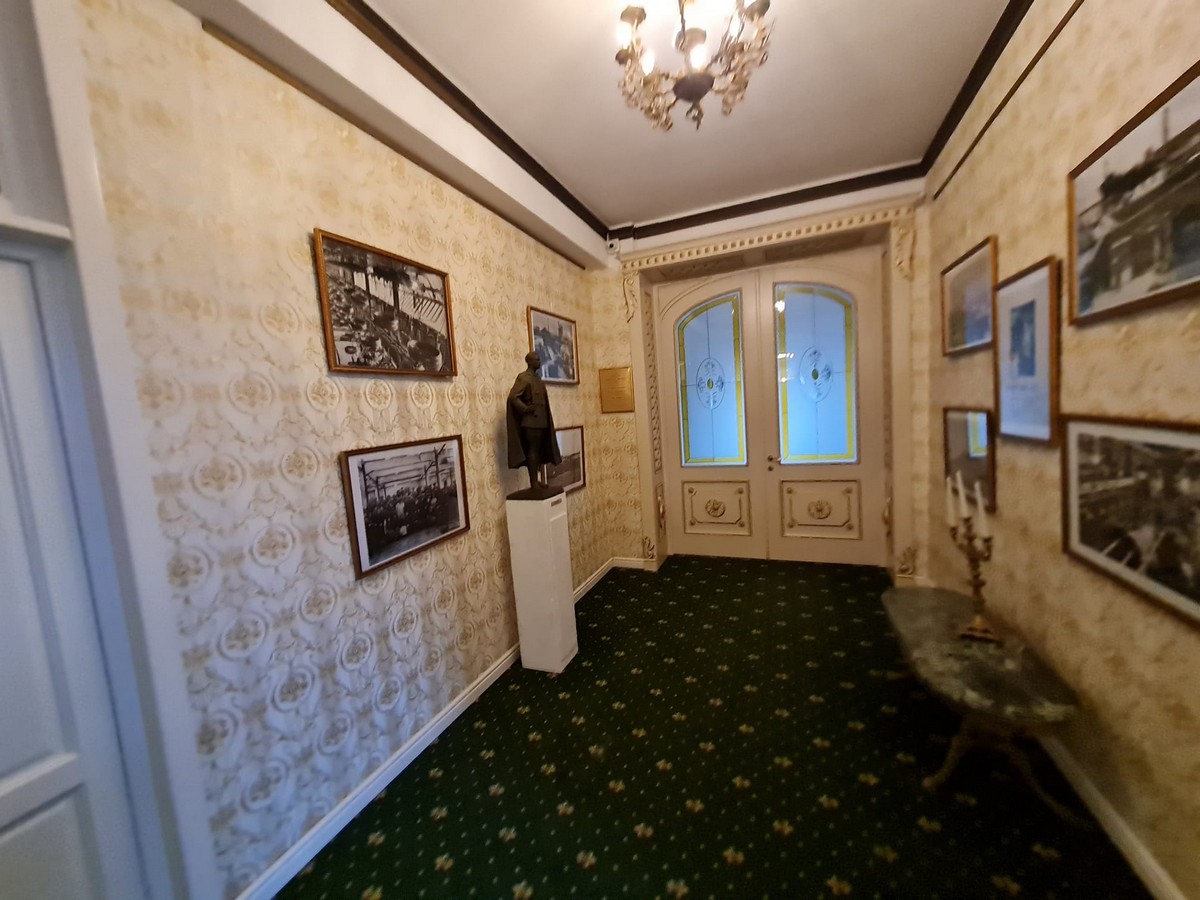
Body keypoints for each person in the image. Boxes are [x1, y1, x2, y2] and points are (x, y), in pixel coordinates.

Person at [507, 351, 561, 491]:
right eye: (536, 359)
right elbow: (513, 397)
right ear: (529, 362)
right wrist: (525, 409)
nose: (539, 361)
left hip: (541, 421)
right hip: (531, 422)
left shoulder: (537, 378)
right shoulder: (524, 378)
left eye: (539, 359)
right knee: (532, 451)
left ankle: (536, 480)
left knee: (538, 451)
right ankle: (534, 483)